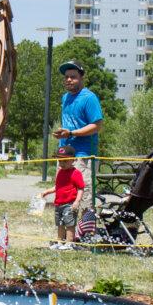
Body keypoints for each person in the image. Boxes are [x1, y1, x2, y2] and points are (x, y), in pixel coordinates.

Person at [51, 59, 102, 222]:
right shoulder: (65, 98)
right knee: (64, 195)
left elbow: (97, 125)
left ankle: (86, 233)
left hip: (83, 154)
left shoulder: (89, 98)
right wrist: (63, 134)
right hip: (64, 155)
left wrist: (72, 132)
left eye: (73, 76)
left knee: (84, 195)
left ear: (81, 77)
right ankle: (67, 235)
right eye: (66, 77)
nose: (68, 80)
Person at [39, 146, 85, 248]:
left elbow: (81, 188)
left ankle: (69, 243)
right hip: (59, 203)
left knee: (69, 224)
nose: (62, 163)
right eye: (60, 161)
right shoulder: (60, 172)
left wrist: (77, 201)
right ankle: (59, 242)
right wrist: (47, 191)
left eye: (65, 161)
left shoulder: (75, 173)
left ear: (73, 160)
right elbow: (57, 186)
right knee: (60, 223)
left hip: (69, 204)